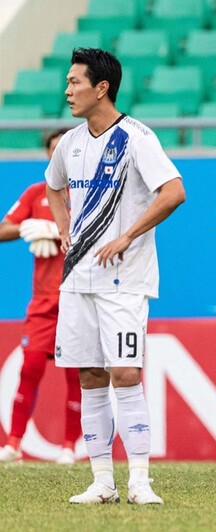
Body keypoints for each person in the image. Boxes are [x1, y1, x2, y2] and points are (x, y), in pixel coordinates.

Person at [45, 48, 185, 504]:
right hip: (78, 279)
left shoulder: (137, 138)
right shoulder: (69, 142)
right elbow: (53, 184)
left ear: (101, 87)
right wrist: (64, 228)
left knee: (124, 373)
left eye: (74, 82)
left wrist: (127, 235)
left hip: (124, 280)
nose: (66, 91)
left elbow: (174, 192)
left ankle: (140, 481)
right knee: (89, 375)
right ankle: (102, 482)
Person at [0, 128, 81, 465]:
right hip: (44, 303)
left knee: (76, 375)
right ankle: (14, 444)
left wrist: (60, 229)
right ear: (48, 156)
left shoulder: (88, 194)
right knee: (30, 367)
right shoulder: (36, 194)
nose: (57, 154)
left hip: (78, 300)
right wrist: (28, 227)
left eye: (64, 148)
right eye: (52, 149)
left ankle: (68, 446)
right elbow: (3, 229)